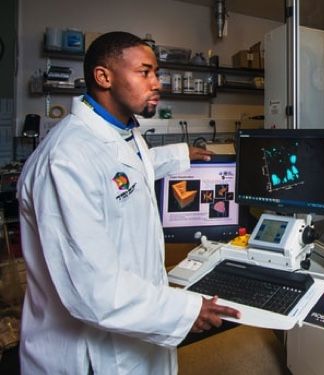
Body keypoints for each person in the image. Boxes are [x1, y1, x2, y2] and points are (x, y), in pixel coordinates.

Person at [17, 31, 240, 374]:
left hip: (135, 329)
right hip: (91, 355)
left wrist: (183, 154)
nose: (157, 83)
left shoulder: (122, 132)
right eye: (145, 72)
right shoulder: (65, 160)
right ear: (103, 76)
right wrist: (185, 310)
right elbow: (94, 292)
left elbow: (130, 166)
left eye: (157, 73)